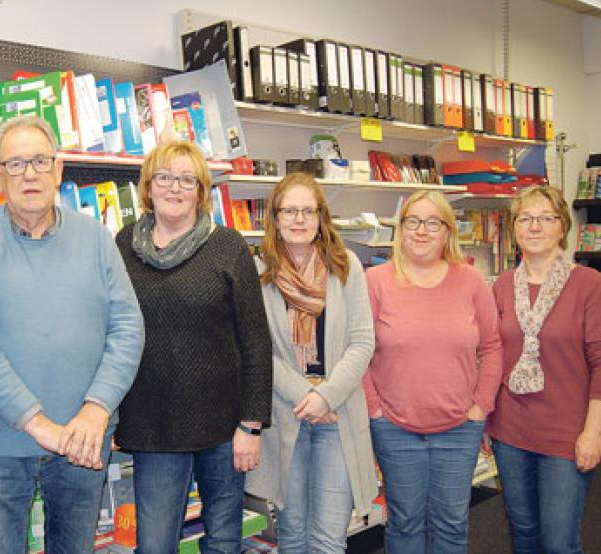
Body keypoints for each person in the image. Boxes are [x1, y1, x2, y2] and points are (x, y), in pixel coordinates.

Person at [0, 115, 144, 553]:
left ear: (59, 170)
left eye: (40, 161)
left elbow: (128, 327)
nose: (29, 173)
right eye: (15, 164)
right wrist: (39, 424)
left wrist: (97, 409)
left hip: (83, 443)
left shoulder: (96, 239)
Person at [114, 141, 272, 554]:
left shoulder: (228, 246)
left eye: (187, 179)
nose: (175, 188)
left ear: (201, 191)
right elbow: (111, 331)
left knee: (223, 541)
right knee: (154, 545)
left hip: (223, 426)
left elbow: (255, 341)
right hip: (153, 425)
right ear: (148, 187)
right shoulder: (124, 244)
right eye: (165, 177)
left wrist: (251, 425)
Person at [245, 173, 378, 553]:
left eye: (308, 210)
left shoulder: (345, 266)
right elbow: (258, 349)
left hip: (338, 417)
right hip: (286, 415)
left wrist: (327, 397)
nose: (299, 219)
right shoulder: (258, 274)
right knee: (293, 535)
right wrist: (306, 395)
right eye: (290, 210)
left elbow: (362, 341)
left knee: (328, 539)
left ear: (321, 217)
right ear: (275, 217)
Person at [364, 190, 502, 553]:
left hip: (459, 428)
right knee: (404, 522)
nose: (421, 231)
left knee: (452, 525)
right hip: (394, 428)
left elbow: (491, 348)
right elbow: (360, 351)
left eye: (432, 223)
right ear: (401, 229)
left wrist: (480, 409)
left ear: (447, 232)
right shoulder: (375, 281)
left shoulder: (471, 281)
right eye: (412, 221)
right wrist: (374, 410)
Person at [487, 185, 601, 554]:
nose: (535, 226)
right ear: (514, 229)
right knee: (524, 534)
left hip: (566, 434)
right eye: (526, 218)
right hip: (510, 432)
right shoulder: (500, 286)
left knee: (560, 542)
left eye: (546, 218)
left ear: (563, 227)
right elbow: (492, 355)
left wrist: (594, 433)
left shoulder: (589, 285)